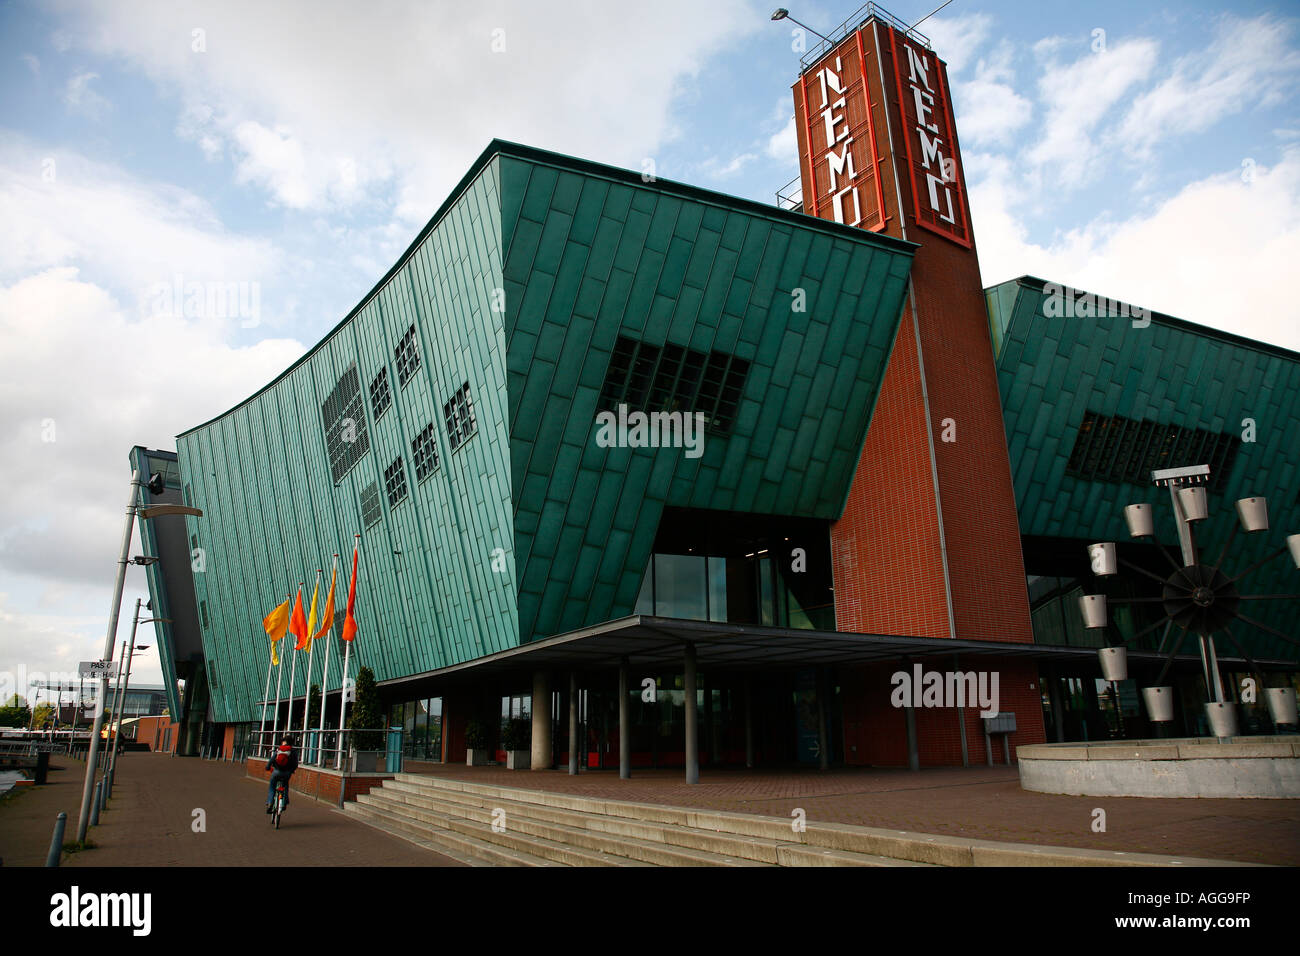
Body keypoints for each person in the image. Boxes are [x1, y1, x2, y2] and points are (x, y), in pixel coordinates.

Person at [265, 735, 298, 813]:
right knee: (285, 785)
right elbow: (295, 764)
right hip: (287, 773)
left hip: (277, 771)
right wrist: (292, 770)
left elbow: (272, 759)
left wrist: (268, 767)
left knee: (272, 786)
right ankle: (284, 803)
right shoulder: (293, 751)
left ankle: (270, 803)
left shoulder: (279, 749)